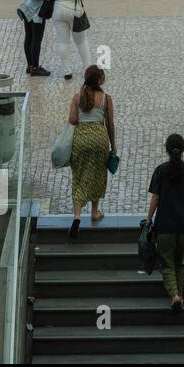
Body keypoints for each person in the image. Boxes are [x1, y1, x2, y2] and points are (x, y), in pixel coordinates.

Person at [146, 133, 184, 313]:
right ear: (183, 149)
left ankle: (175, 296)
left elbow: (155, 197)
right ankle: (180, 294)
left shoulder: (160, 170)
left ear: (166, 149)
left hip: (165, 225)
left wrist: (149, 219)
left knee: (166, 262)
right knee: (180, 261)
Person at [66, 65, 115, 238]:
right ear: (100, 80)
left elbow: (72, 120)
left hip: (80, 140)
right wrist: (113, 147)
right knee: (97, 174)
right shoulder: (106, 99)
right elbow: (110, 125)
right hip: (99, 140)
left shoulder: (77, 97)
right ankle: (94, 211)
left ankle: (77, 216)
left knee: (79, 176)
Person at [42, 0, 91, 80]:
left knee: (63, 42)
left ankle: (67, 71)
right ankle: (88, 69)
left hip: (58, 11)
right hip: (75, 12)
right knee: (81, 41)